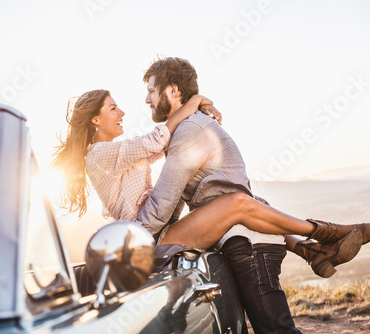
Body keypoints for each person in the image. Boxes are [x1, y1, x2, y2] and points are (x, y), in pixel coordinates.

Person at [135, 57, 369, 333]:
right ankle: (314, 248)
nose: (147, 99)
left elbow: (163, 205)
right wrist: (198, 100)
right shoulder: (189, 127)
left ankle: (324, 236)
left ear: (173, 91)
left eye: (151, 90)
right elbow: (178, 204)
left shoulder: (189, 132)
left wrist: (134, 236)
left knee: (276, 330)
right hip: (242, 238)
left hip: (246, 243)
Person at [52, 88, 367, 280]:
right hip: (149, 245)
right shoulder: (99, 154)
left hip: (159, 234)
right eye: (112, 108)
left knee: (247, 199)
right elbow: (155, 140)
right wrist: (195, 101)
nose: (121, 112)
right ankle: (326, 233)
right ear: (95, 120)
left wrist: (199, 112)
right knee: (238, 204)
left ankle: (311, 252)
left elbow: (163, 144)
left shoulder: (115, 154)